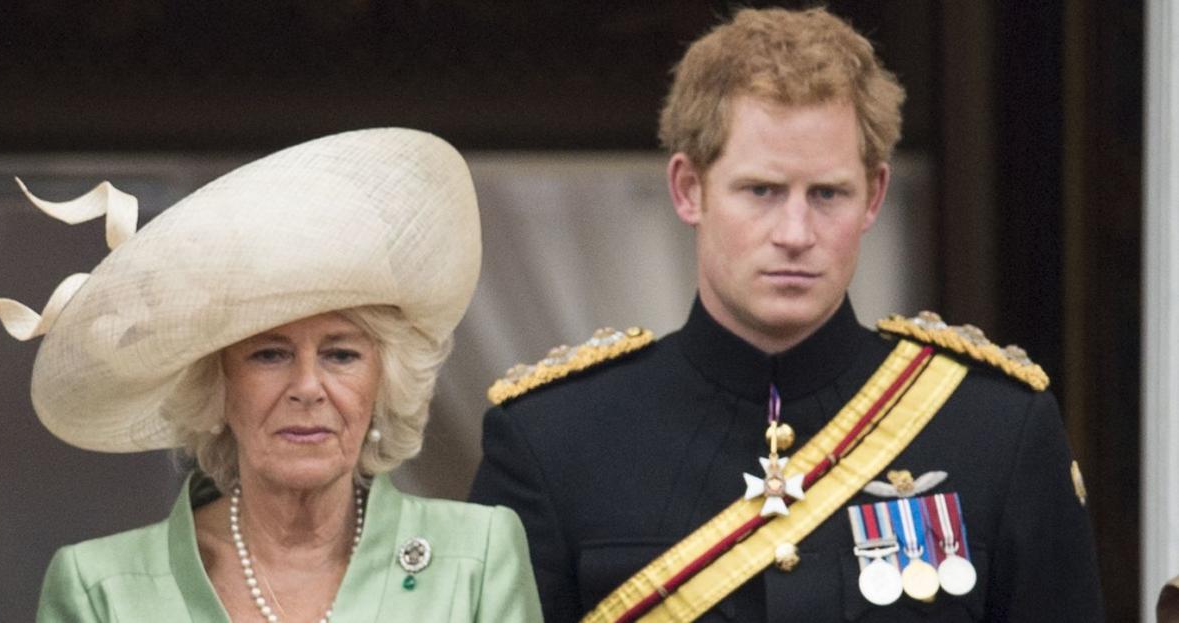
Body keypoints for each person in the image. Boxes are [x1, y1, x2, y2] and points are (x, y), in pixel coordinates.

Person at [469, 7, 1103, 622]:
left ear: (874, 196)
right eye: (762, 191)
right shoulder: (554, 441)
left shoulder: (997, 430)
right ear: (690, 189)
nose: (795, 232)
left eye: (827, 193)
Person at [0, 129, 542, 622]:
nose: (307, 387)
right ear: (216, 385)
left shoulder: (479, 554)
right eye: (269, 355)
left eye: (341, 355)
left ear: (384, 381)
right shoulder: (99, 585)